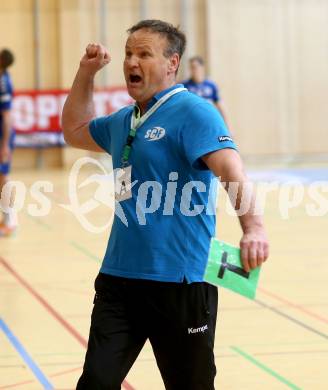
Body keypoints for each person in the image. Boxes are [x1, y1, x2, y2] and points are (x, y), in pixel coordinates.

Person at [62, 19, 269, 390]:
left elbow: (230, 169)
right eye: (128, 54)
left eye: (144, 54)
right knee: (95, 382)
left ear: (172, 63)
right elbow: (75, 130)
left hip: (180, 283)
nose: (131, 62)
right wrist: (86, 71)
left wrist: (254, 228)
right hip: (119, 281)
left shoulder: (195, 112)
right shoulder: (126, 120)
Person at [183, 55, 229, 129]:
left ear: (202, 67)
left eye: (195, 67)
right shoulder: (185, 86)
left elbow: (219, 105)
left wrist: (227, 126)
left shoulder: (211, 85)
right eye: (191, 67)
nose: (193, 70)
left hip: (208, 120)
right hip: (192, 121)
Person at [0, 49, 16, 237]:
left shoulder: (3, 83)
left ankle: (10, 219)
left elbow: (7, 116)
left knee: (4, 177)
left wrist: (4, 144)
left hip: (2, 137)